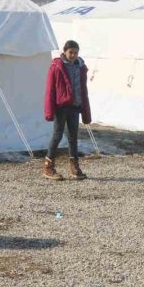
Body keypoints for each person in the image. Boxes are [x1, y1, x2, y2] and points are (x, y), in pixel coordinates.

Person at [43, 40, 92, 181]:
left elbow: (83, 89)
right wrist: (49, 110)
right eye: (71, 52)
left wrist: (84, 106)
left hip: (75, 106)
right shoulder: (57, 66)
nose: (73, 55)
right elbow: (50, 90)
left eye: (76, 52)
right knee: (57, 135)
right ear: (64, 51)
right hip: (61, 106)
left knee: (73, 137)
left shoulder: (80, 67)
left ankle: (74, 167)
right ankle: (48, 166)